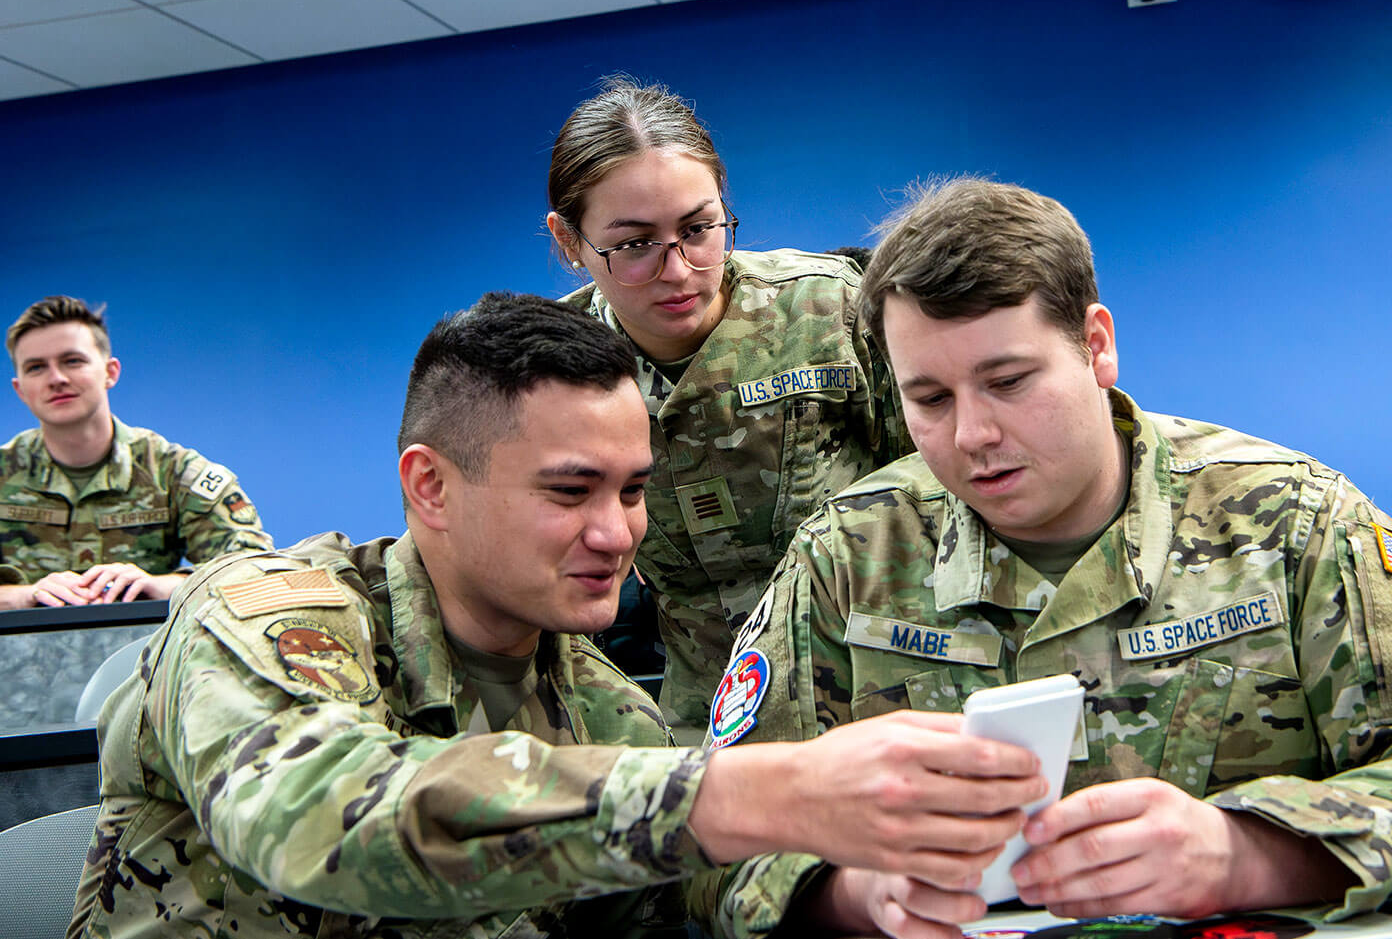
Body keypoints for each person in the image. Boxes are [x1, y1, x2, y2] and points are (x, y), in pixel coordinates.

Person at [70, 292, 1048, 939]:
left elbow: (676, 903)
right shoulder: (267, 613)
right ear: (432, 487)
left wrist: (852, 897)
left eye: (633, 489)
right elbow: (319, 812)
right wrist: (764, 786)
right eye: (572, 489)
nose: (619, 531)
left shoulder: (600, 707)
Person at [702, 180, 1392, 939]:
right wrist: (854, 892)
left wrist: (1248, 851)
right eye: (930, 398)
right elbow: (708, 837)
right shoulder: (848, 554)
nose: (972, 435)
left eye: (1009, 380)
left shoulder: (1294, 522)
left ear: (1096, 346)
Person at [548, 79, 912, 731]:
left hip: (882, 683)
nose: (680, 269)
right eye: (634, 244)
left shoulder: (831, 311)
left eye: (699, 229)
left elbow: (936, 489)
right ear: (570, 241)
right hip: (710, 713)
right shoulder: (549, 372)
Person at [1, 295, 270, 609]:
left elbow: (257, 569)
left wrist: (164, 585)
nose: (57, 378)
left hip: (145, 655)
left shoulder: (173, 473)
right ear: (20, 390)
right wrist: (26, 595)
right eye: (36, 368)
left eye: (73, 361)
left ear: (110, 372)